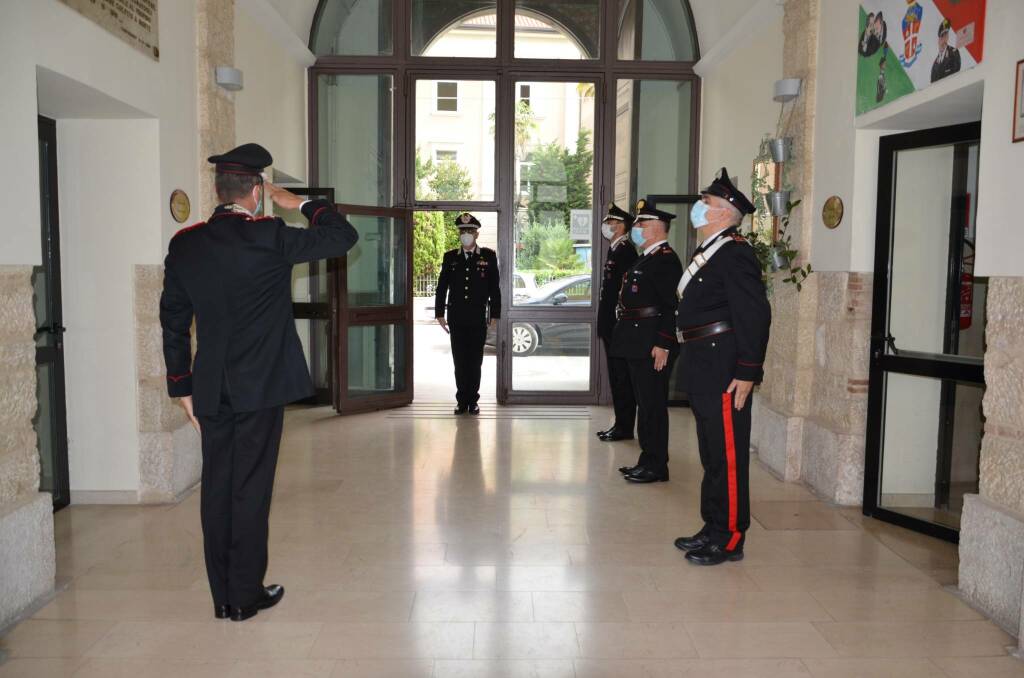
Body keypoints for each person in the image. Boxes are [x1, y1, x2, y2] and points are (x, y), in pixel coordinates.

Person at [160, 143, 358, 620]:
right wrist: (303, 203)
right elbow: (343, 236)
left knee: (217, 489)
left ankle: (221, 597)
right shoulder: (270, 236)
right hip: (261, 387)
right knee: (250, 488)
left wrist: (182, 387)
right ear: (255, 191)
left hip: (209, 387)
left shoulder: (185, 243)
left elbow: (172, 321)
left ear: (216, 189)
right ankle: (245, 596)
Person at [673, 167, 770, 566]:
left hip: (725, 367)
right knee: (711, 452)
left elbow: (754, 314)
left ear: (725, 211)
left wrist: (747, 370)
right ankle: (713, 524)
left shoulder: (735, 252)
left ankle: (730, 536)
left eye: (706, 202)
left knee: (728, 454)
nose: (699, 207)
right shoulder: (709, 250)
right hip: (703, 362)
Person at [610, 200, 683, 484]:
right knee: (645, 403)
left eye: (641, 224)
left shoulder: (666, 259)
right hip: (635, 340)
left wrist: (663, 343)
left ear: (654, 228)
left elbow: (670, 306)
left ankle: (657, 465)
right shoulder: (646, 257)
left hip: (651, 343)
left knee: (653, 405)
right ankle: (647, 459)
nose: (636, 228)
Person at [434, 213, 501, 414]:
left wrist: (494, 316)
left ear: (477, 234)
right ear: (459, 235)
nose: (466, 235)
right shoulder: (450, 257)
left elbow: (494, 289)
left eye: (470, 231)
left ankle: (473, 400)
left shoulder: (487, 256)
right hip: (457, 319)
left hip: (478, 319)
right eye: (463, 232)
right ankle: (461, 400)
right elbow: (442, 286)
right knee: (460, 362)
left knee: (475, 362)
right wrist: (439, 314)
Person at [596, 203, 639, 442]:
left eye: (611, 224)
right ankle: (620, 424)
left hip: (617, 324)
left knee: (622, 377)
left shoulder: (626, 251)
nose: (607, 227)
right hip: (610, 323)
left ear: (621, 226)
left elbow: (625, 293)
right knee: (616, 376)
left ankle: (624, 427)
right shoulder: (615, 249)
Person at [930, 19, 961, 83]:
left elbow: (956, 72)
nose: (944, 39)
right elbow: (932, 82)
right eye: (942, 36)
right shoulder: (935, 63)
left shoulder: (954, 52)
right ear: (938, 40)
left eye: (946, 35)